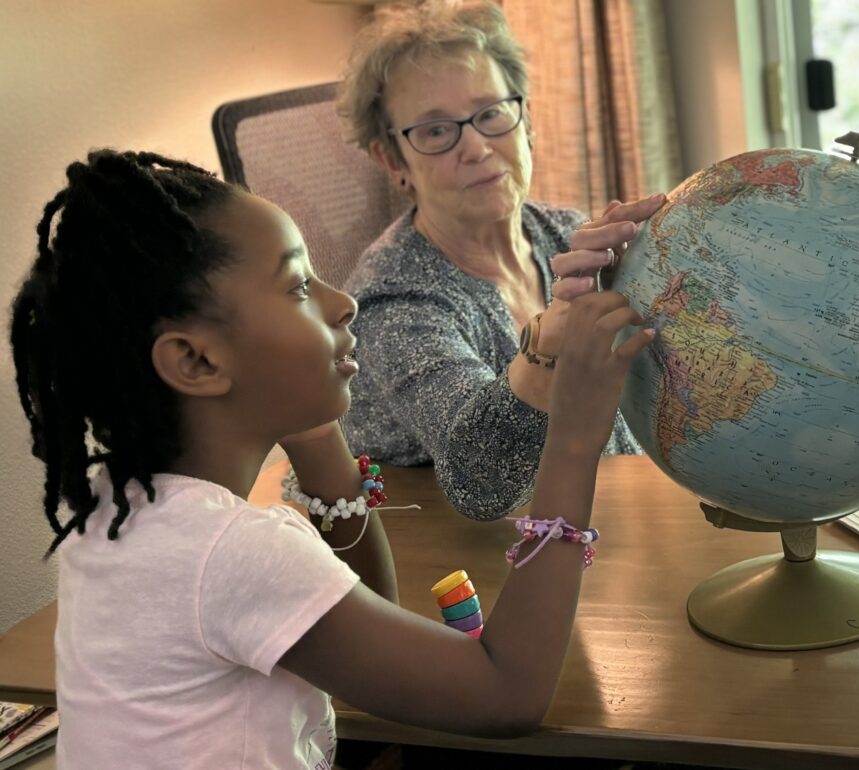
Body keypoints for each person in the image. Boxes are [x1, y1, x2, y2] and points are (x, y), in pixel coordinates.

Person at [8, 149, 653, 768]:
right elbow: (506, 694)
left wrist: (314, 430)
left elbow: (369, 611)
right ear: (197, 362)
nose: (341, 301)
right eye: (296, 287)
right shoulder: (233, 552)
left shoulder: (118, 507)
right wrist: (572, 438)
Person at [336, 0, 666, 519]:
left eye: (490, 114)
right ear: (393, 159)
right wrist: (548, 349)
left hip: (599, 521)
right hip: (465, 566)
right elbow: (482, 483)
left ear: (525, 120)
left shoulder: (562, 233)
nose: (475, 147)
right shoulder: (392, 302)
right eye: (437, 131)